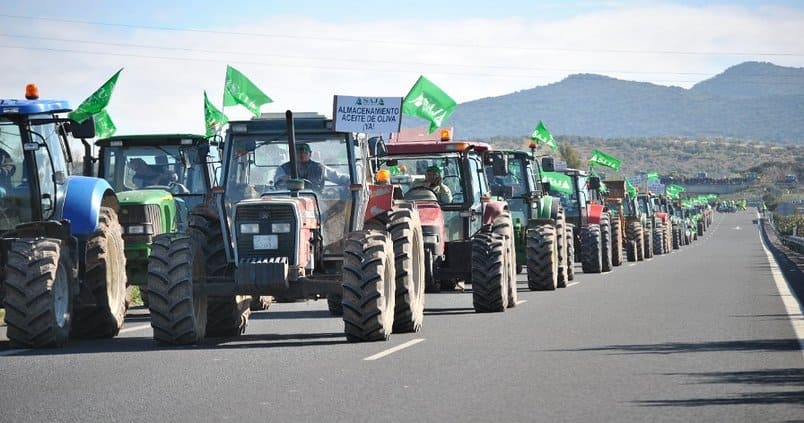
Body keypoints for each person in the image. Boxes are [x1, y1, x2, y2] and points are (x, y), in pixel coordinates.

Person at [273, 143, 349, 190]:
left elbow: (339, 177)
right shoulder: (283, 168)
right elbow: (277, 179)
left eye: (305, 153)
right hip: (289, 197)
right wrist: (283, 178)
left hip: (316, 200)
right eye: (299, 153)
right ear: (293, 154)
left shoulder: (320, 168)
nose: (302, 155)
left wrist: (349, 180)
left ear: (310, 154)